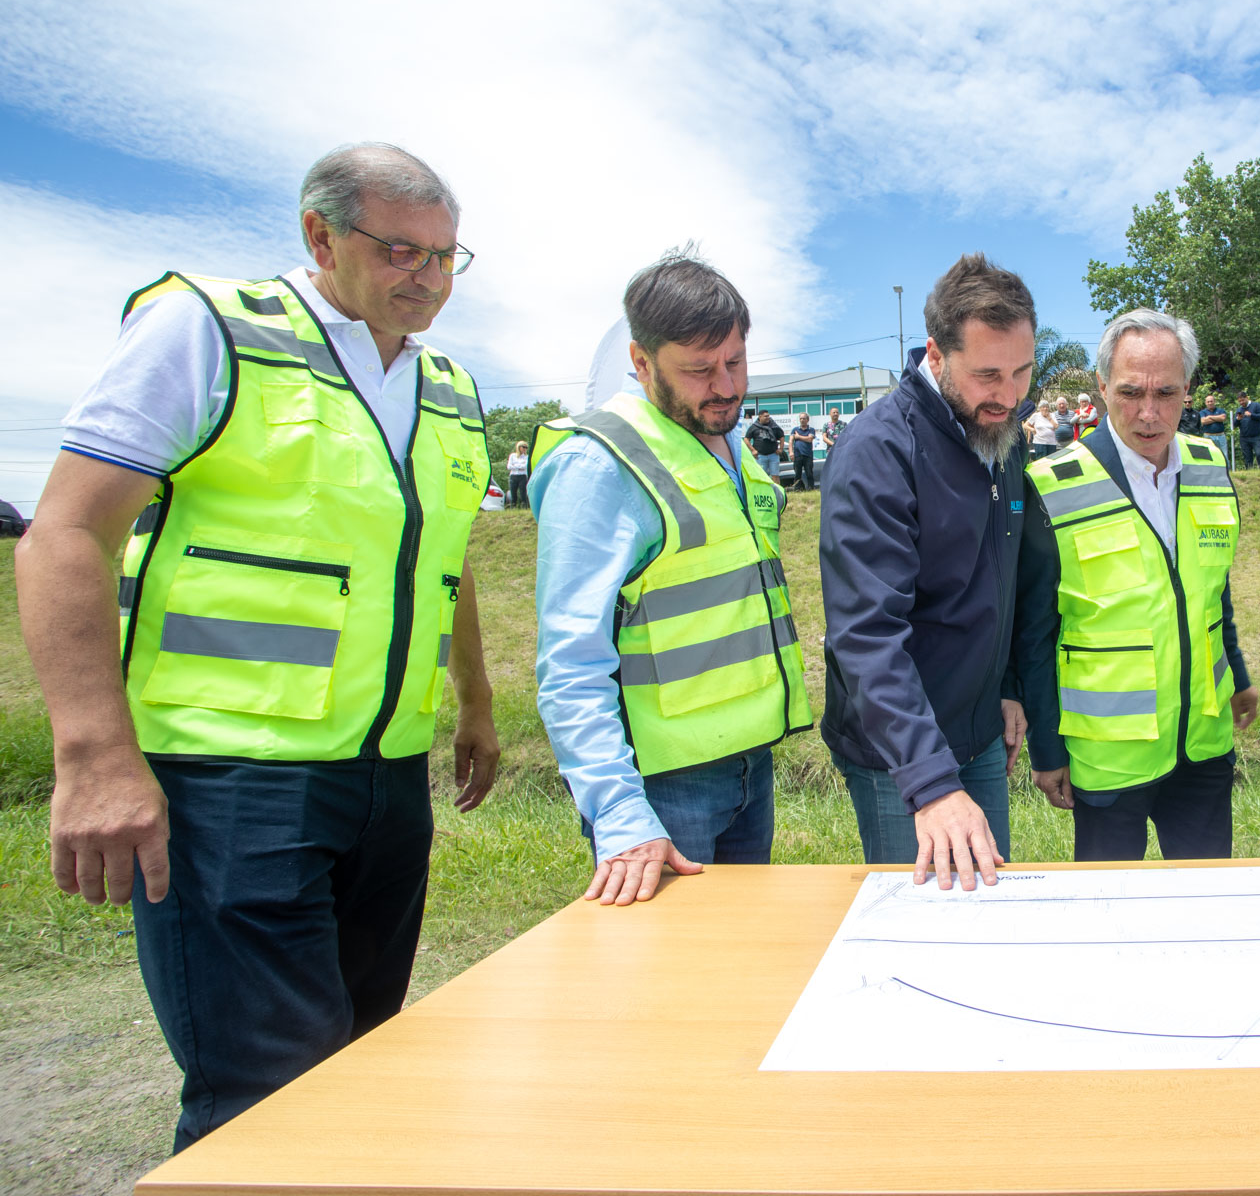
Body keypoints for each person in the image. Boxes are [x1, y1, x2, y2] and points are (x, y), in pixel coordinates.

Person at [16, 143, 500, 1151]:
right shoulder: (210, 330)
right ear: (320, 235)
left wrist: (477, 699)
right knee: (273, 1096)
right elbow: (64, 535)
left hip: (381, 780)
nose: (429, 279)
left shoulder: (449, 386)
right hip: (233, 781)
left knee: (365, 1060)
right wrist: (96, 755)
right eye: (402, 251)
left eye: (448, 259)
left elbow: (435, 558)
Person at [529, 251, 810, 905]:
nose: (725, 386)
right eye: (698, 370)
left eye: (736, 362)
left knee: (738, 964)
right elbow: (570, 663)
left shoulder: (730, 444)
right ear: (641, 361)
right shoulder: (600, 464)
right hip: (661, 787)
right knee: (667, 988)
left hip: (749, 764)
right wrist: (620, 814)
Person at [819, 253, 1034, 890]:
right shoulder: (878, 451)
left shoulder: (998, 431)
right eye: (988, 374)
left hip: (979, 732)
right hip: (900, 757)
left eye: (1023, 372)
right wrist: (932, 783)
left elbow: (1002, 574)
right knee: (926, 933)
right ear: (937, 356)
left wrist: (1010, 683)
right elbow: (866, 633)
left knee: (987, 908)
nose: (1009, 395)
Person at [1014, 309, 1257, 860]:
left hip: (1203, 745)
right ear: (1101, 388)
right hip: (1108, 760)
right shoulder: (1051, 486)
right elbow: (1033, 635)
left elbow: (1213, 590)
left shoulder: (1210, 465)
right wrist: (1047, 751)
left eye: (1166, 393)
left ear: (1188, 391)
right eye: (1130, 392)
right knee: (1106, 918)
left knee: (1204, 911)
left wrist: (1238, 674)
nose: (1149, 413)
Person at [746, 409, 784, 478]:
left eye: (768, 416)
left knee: (775, 476)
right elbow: (746, 439)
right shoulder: (754, 427)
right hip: (760, 456)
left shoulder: (774, 426)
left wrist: (781, 449)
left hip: (773, 455)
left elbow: (781, 437)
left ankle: (776, 489)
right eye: (765, 416)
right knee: (761, 477)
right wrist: (753, 450)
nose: (768, 418)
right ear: (760, 417)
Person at [1234, 390, 1260, 471]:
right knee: (1247, 457)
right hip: (1244, 437)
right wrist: (1238, 419)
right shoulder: (1239, 410)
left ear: (1247, 398)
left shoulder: (1256, 405)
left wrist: (1252, 415)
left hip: (1256, 436)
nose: (1241, 402)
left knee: (1259, 454)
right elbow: (1234, 425)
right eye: (1240, 401)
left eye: (1242, 400)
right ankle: (1249, 472)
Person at [789, 411, 818, 489]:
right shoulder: (795, 429)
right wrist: (791, 452)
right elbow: (791, 441)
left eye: (804, 419)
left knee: (809, 473)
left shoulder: (811, 429)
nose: (802, 420)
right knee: (797, 474)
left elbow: (809, 439)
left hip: (807, 455)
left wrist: (798, 437)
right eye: (801, 418)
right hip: (797, 455)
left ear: (807, 420)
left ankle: (811, 488)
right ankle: (797, 489)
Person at [1198, 394, 1229, 459]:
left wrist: (1210, 417)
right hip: (1208, 436)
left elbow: (1223, 418)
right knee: (1210, 455)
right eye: (1208, 402)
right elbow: (1203, 421)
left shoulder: (1221, 410)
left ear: (1214, 402)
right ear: (1205, 403)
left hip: (1221, 436)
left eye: (1211, 401)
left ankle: (1225, 469)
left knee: (1224, 454)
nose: (1210, 403)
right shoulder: (1202, 412)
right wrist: (1217, 419)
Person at [819, 407, 844, 487]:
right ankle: (831, 484)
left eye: (837, 412)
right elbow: (824, 438)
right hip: (830, 450)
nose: (835, 414)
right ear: (830, 414)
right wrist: (833, 444)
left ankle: (841, 484)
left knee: (841, 467)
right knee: (830, 468)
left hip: (841, 450)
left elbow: (846, 436)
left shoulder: (844, 424)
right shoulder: (826, 425)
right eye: (834, 412)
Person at [506, 440, 531, 507]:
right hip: (513, 476)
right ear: (519, 447)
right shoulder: (512, 456)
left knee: (523, 493)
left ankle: (524, 507)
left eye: (526, 447)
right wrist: (519, 466)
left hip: (522, 476)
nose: (525, 449)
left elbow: (525, 466)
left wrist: (515, 466)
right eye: (523, 447)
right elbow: (509, 466)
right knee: (513, 493)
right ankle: (513, 507)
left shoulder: (527, 457)